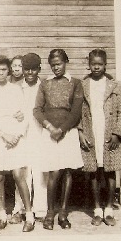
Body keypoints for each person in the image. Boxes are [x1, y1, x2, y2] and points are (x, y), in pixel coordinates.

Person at [0, 54, 35, 232]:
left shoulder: (16, 89)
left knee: (19, 175)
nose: (1, 73)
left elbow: (25, 115)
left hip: (15, 137)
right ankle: (2, 215)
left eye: (4, 70)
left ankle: (30, 215)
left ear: (8, 70)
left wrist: (16, 135)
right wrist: (2, 134)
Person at [78, 49, 121, 227]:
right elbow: (78, 112)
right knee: (93, 171)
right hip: (92, 131)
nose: (96, 67)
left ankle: (108, 209)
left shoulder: (115, 85)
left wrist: (117, 133)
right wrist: (81, 132)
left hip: (109, 133)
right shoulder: (83, 85)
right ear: (89, 64)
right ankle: (97, 209)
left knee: (110, 170)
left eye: (100, 64)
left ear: (105, 64)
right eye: (93, 64)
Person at [33, 49, 84, 230]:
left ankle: (63, 213)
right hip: (50, 133)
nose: (56, 68)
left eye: (59, 64)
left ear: (65, 62)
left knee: (67, 172)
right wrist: (50, 127)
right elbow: (37, 110)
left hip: (67, 133)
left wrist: (62, 129)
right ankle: (49, 213)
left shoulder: (75, 83)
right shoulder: (45, 84)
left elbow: (76, 111)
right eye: (53, 65)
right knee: (53, 172)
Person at [11, 53, 48, 224]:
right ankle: (19, 209)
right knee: (22, 173)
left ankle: (40, 209)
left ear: (39, 69)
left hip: (40, 134)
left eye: (34, 69)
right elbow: (10, 110)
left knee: (40, 172)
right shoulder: (16, 86)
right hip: (21, 135)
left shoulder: (45, 86)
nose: (30, 72)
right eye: (27, 69)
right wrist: (15, 115)